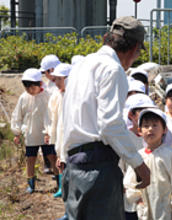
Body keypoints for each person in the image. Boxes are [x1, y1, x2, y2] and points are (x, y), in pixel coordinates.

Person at [61, 16, 150, 220]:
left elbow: (67, 118)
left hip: (74, 165)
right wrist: (139, 164)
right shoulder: (113, 69)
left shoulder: (81, 66)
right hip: (97, 167)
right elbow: (109, 125)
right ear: (135, 48)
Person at [124, 108, 172, 220]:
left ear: (164, 129)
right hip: (144, 209)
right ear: (139, 131)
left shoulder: (169, 154)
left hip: (165, 208)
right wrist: (137, 198)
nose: (150, 129)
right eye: (146, 126)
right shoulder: (138, 157)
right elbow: (129, 182)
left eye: (155, 125)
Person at [11, 68, 58, 193]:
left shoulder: (47, 96)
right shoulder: (23, 97)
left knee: (52, 157)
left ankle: (60, 182)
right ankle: (31, 184)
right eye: (27, 88)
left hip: (45, 133)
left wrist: (50, 131)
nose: (30, 91)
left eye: (32, 88)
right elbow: (17, 115)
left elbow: (51, 115)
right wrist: (17, 133)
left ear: (40, 84)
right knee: (30, 159)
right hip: (30, 134)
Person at [121, 93, 156, 220]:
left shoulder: (155, 139)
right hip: (130, 197)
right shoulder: (124, 138)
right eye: (142, 112)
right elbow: (121, 167)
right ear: (131, 115)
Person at [44, 63, 71, 198]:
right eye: (56, 80)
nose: (57, 83)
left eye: (59, 79)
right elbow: (50, 116)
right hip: (61, 133)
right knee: (60, 160)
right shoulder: (57, 95)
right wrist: (48, 132)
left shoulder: (75, 96)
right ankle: (62, 187)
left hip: (71, 135)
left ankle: (68, 190)